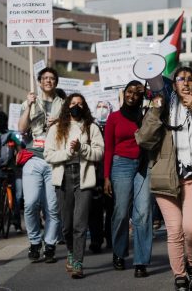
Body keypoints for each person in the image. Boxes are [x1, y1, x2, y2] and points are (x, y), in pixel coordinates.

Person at [135, 67, 192, 291]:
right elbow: (144, 140)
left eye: (190, 79)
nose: (185, 83)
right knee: (175, 230)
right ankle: (180, 277)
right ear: (173, 83)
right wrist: (155, 111)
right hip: (166, 179)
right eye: (180, 79)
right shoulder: (162, 108)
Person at [44, 93, 104, 279]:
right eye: (73, 103)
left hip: (84, 178)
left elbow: (99, 153)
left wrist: (82, 149)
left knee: (80, 223)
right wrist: (68, 153)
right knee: (67, 225)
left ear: (84, 106)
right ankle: (70, 250)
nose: (76, 106)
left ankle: (78, 261)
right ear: (67, 107)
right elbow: (48, 155)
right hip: (63, 177)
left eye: (80, 103)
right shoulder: (56, 129)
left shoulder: (91, 127)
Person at [104, 80, 152, 278]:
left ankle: (140, 261)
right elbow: (108, 148)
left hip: (143, 166)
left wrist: (148, 91)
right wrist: (106, 176)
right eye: (129, 92)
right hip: (120, 165)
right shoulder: (114, 117)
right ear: (124, 94)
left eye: (136, 93)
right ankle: (119, 252)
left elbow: (161, 100)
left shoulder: (146, 117)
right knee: (121, 213)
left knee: (143, 214)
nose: (132, 96)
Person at [18, 67, 63, 263]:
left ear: (56, 82)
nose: (48, 81)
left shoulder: (63, 104)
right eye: (45, 78)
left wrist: (60, 122)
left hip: (54, 160)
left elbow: (72, 129)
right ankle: (35, 242)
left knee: (52, 207)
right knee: (30, 204)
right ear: (39, 81)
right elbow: (21, 128)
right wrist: (28, 106)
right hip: (33, 159)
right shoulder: (30, 102)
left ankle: (50, 244)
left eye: (52, 78)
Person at [89, 100, 114, 253]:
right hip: (94, 172)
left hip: (111, 172)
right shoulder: (91, 127)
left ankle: (111, 237)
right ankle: (96, 239)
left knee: (111, 207)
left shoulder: (113, 124)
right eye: (99, 107)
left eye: (105, 107)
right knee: (94, 209)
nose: (102, 110)